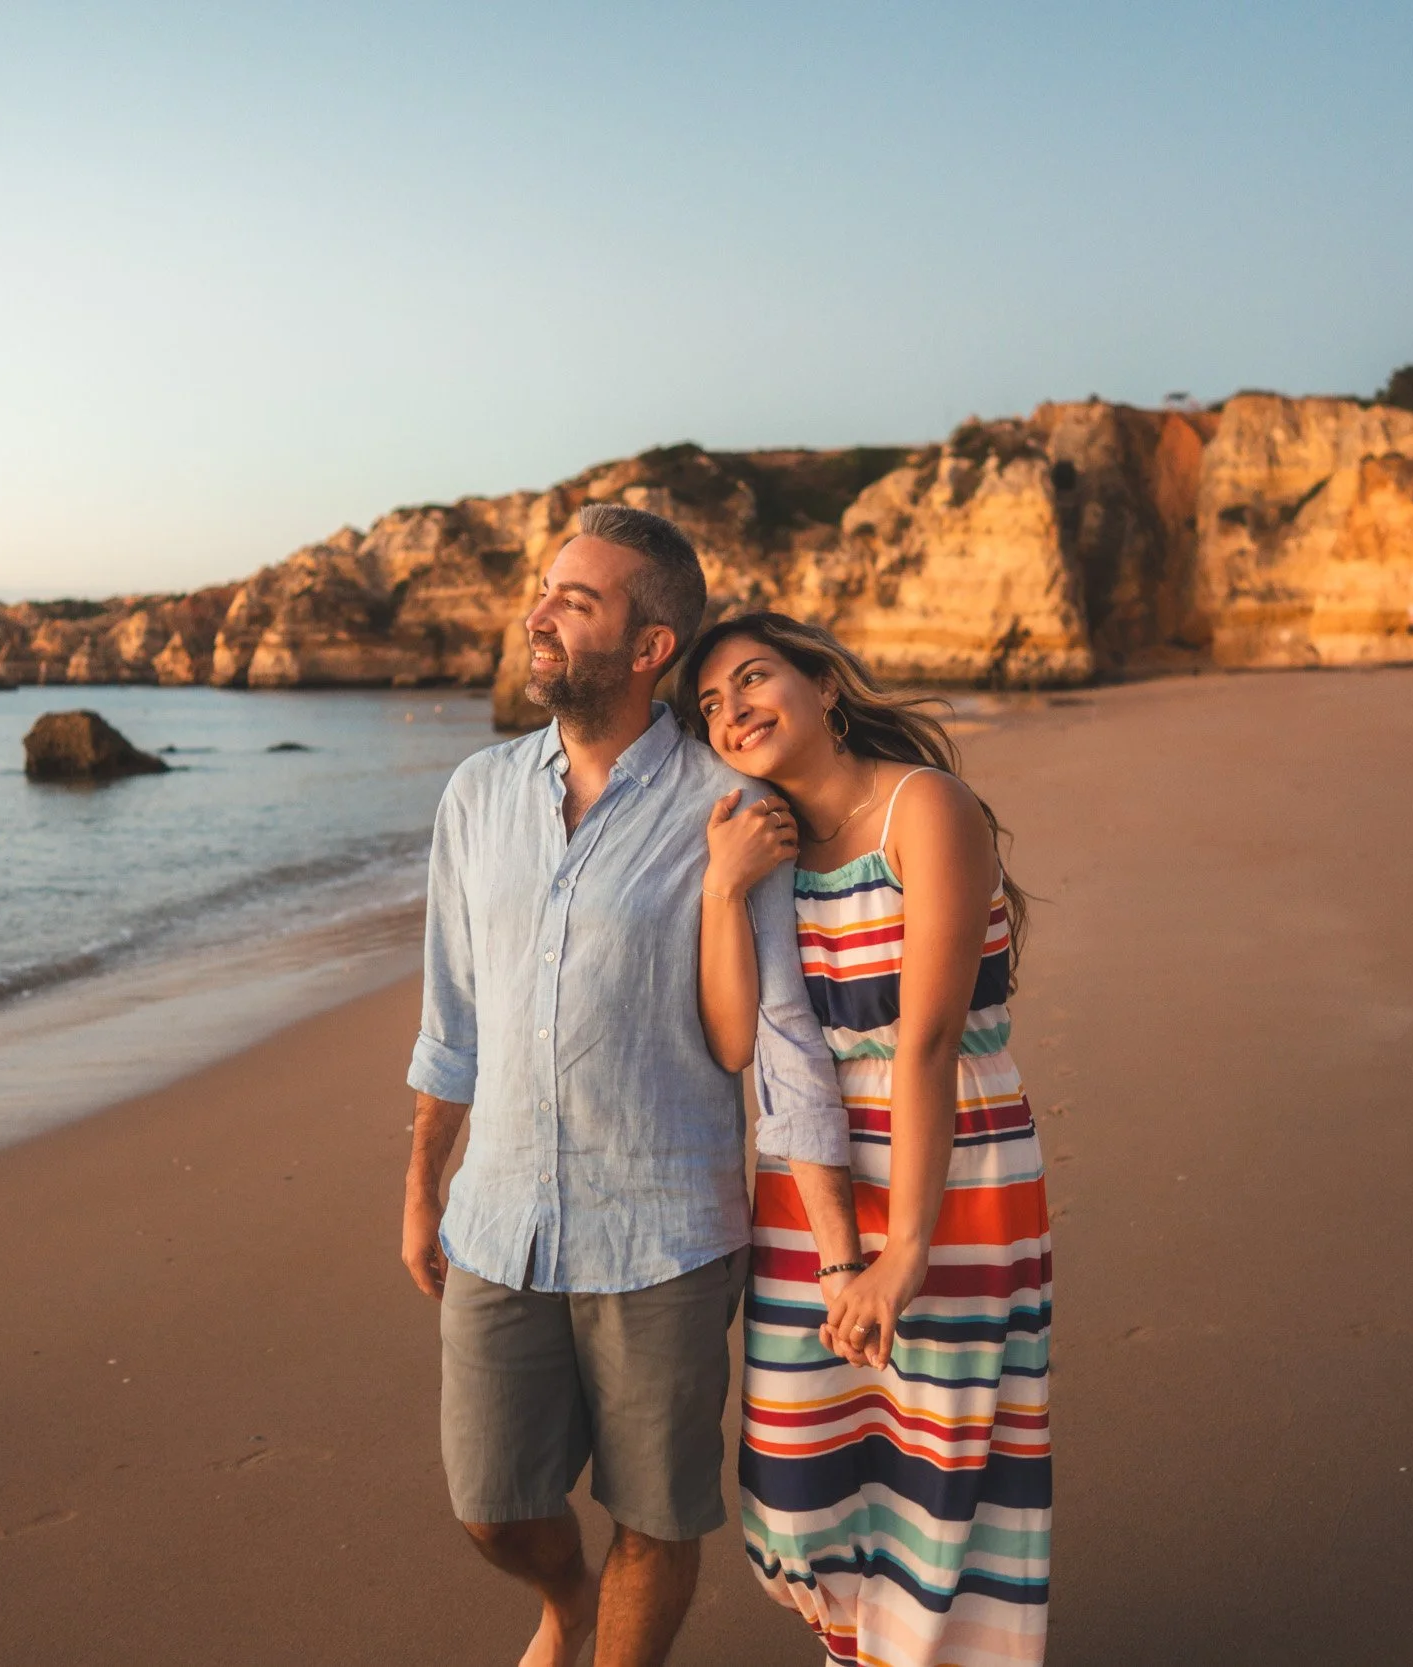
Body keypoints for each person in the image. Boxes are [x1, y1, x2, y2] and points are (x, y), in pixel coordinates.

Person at [401, 506, 865, 1667]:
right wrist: (423, 1184)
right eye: (546, 589)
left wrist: (838, 1241)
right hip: (498, 1217)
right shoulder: (476, 794)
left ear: (651, 646)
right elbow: (449, 1018)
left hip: (665, 1225)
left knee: (656, 1513)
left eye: (577, 599)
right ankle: (565, 1603)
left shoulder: (730, 803)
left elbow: (774, 1036)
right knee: (491, 1502)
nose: (540, 611)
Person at [679, 611, 1052, 1667]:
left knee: (939, 1470)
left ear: (825, 688)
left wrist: (903, 1250)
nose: (732, 709)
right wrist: (721, 885)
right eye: (710, 703)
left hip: (953, 1167)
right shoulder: (763, 841)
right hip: (806, 1175)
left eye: (753, 679)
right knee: (799, 1477)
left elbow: (927, 1040)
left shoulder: (922, 806)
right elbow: (731, 1031)